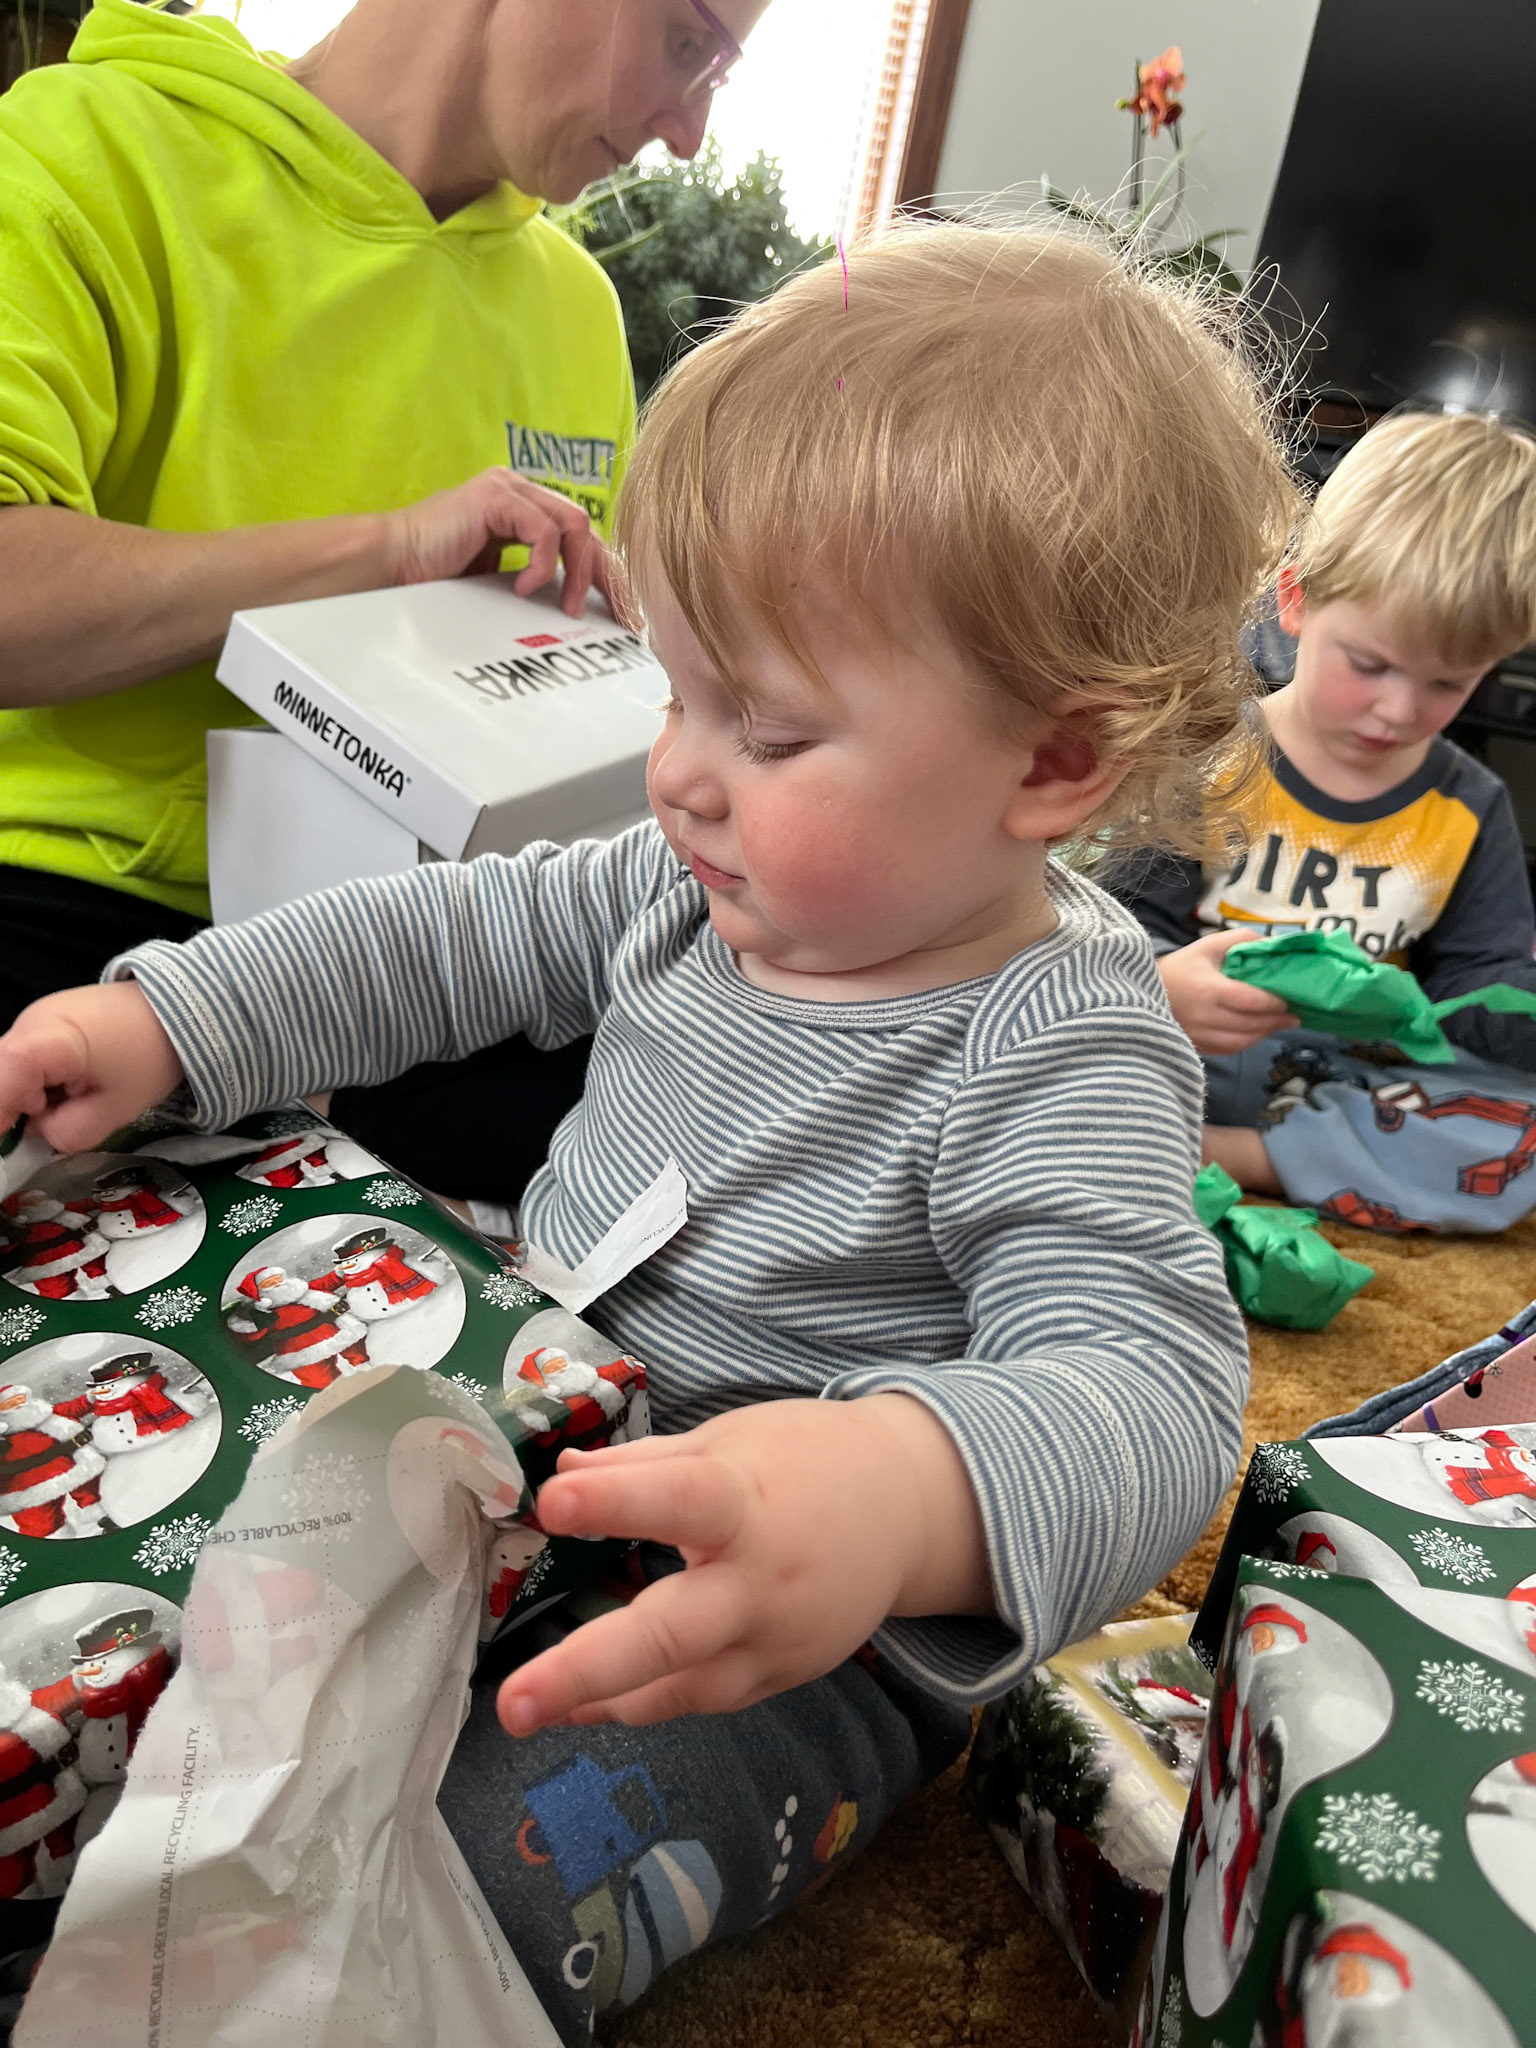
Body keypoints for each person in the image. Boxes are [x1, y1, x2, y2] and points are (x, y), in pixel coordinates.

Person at [0, 219, 1295, 2038]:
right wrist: (166, 1021)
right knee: (180, 1626)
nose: (677, 769)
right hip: (522, 1409)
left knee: (472, 1871)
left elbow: (1151, 1382)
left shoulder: (1057, 1034)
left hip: (774, 1620)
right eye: (673, 690)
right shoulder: (682, 877)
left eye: (764, 729)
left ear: (1053, 764)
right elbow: (435, 939)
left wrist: (897, 1491)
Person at [0, 0, 765, 1191]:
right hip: (78, 899)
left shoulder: (577, 309)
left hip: (446, 948)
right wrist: (386, 547)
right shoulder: (83, 151)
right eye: (686, 41)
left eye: (721, 69)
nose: (689, 131)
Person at [1114, 411, 1536, 1228]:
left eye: (1447, 685)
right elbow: (1111, 931)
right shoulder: (1210, 758)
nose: (1398, 710)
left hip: (1347, 1085)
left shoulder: (1471, 806)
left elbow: (1477, 991)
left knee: (1516, 1126)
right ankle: (1297, 1163)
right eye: (1370, 664)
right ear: (1295, 599)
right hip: (1196, 1053)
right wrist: (1164, 985)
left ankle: (1233, 1157)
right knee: (1040, 1044)